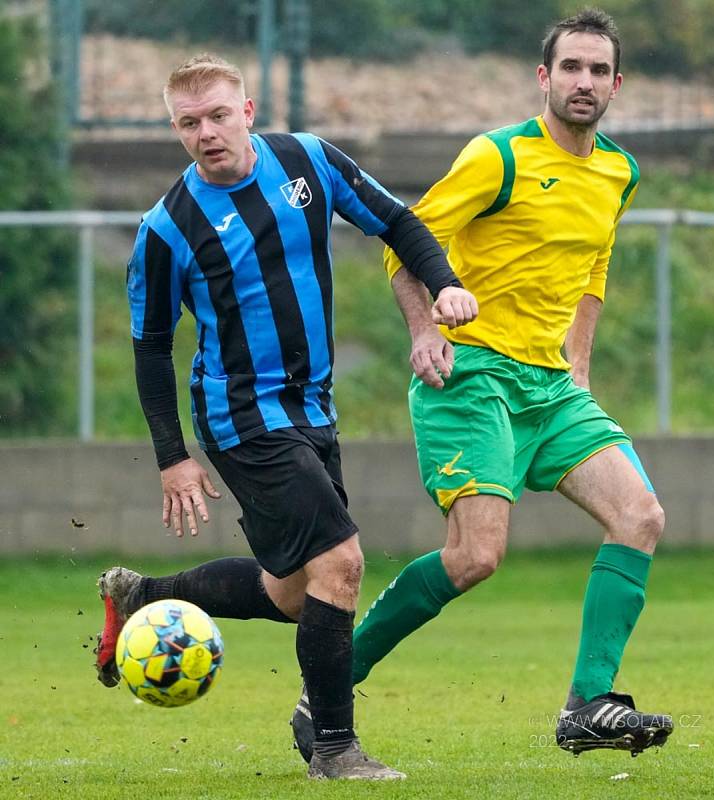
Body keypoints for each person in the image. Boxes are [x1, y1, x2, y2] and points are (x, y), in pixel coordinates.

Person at [290, 8, 675, 761]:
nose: (584, 82)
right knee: (474, 557)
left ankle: (587, 704)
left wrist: (580, 365)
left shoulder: (618, 172)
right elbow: (406, 239)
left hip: (550, 385)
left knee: (641, 515)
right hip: (470, 377)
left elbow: (592, 267)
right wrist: (425, 330)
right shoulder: (496, 157)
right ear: (543, 76)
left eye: (598, 71)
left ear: (616, 84)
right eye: (570, 67)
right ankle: (327, 690)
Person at [93, 53, 478, 781]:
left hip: (313, 407)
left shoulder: (308, 160)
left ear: (247, 110)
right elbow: (149, 350)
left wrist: (443, 288)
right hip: (240, 416)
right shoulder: (166, 228)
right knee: (343, 563)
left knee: (297, 594)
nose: (205, 133)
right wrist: (173, 455)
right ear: (174, 130)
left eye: (216, 115)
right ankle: (333, 749)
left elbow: (397, 222)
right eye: (187, 123)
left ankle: (144, 595)